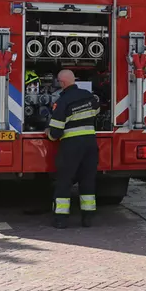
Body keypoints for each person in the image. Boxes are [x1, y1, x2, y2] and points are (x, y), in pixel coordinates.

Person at [46, 70, 100, 229]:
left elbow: (56, 132)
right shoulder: (89, 96)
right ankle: (88, 218)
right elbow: (96, 110)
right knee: (88, 180)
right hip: (90, 144)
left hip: (71, 146)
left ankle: (61, 219)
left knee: (64, 181)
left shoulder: (63, 101)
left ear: (62, 83)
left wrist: (48, 133)